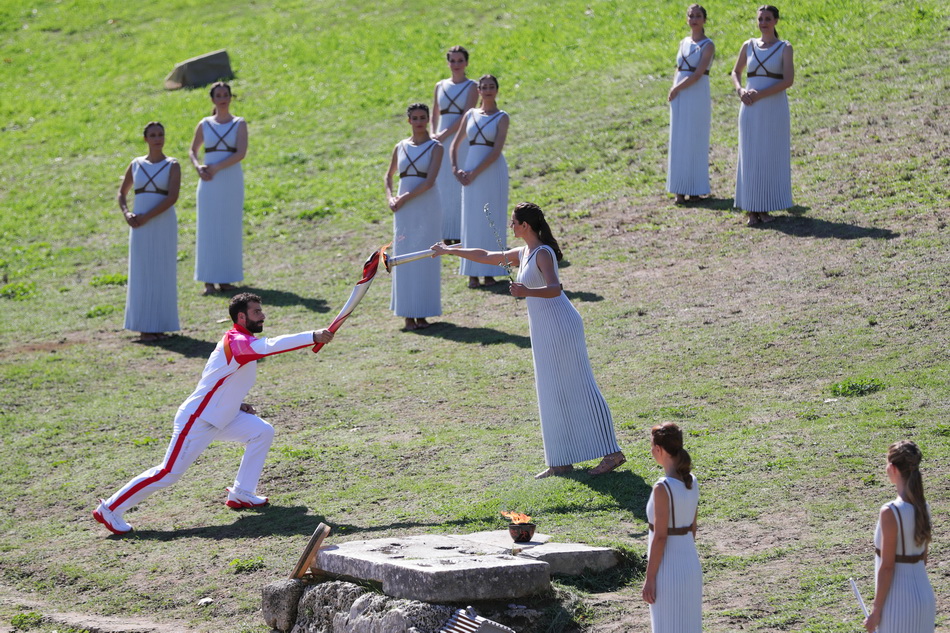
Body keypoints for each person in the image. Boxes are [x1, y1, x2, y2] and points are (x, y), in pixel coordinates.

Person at [93, 293, 334, 534]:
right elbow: (268, 347)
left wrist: (237, 403)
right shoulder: (237, 340)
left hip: (222, 416)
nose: (263, 315)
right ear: (242, 316)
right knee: (168, 473)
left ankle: (242, 493)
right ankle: (110, 508)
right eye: (256, 312)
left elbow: (219, 380)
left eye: (261, 311)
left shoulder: (241, 340)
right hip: (198, 419)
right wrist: (311, 336)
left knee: (261, 432)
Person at [431, 202, 625, 478]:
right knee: (550, 389)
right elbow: (486, 255)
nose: (511, 226)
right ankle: (561, 459)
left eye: (514, 222)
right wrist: (450, 250)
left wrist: (525, 290)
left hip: (561, 325)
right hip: (544, 329)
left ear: (525, 226)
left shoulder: (543, 253)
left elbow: (556, 289)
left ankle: (613, 453)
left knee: (579, 384)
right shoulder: (523, 253)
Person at [730, 5, 794, 226]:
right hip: (750, 108)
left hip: (773, 109)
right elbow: (735, 72)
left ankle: (764, 207)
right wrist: (741, 91)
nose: (763, 23)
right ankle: (751, 210)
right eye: (760, 19)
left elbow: (788, 81)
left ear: (776, 21)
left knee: (769, 155)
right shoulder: (748, 45)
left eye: (768, 19)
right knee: (750, 156)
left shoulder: (785, 47)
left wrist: (761, 94)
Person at [117, 122, 181, 342]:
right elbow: (122, 193)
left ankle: (160, 325)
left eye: (161, 134)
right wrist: (127, 214)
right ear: (145, 139)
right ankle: (144, 327)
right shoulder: (135, 164)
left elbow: (172, 197)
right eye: (153, 135)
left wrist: (147, 216)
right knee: (142, 271)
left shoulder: (173, 164)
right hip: (140, 227)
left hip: (162, 224)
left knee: (163, 271)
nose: (157, 139)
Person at [863, 440, 935, 633]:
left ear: (893, 468)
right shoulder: (923, 507)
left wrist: (876, 610)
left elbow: (887, 566)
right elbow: (923, 559)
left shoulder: (890, 511)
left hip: (898, 602)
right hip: (924, 598)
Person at [385, 103, 443, 331]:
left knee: (425, 256)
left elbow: (429, 182)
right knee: (404, 256)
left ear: (428, 120)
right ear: (408, 121)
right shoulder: (400, 147)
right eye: (415, 118)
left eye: (423, 117)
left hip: (426, 206)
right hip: (404, 211)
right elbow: (388, 176)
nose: (419, 121)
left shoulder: (435, 147)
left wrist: (403, 198)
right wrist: (391, 198)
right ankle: (407, 315)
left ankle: (423, 314)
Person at [641, 422, 702, 633]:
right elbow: (693, 529)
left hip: (667, 572)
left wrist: (650, 578)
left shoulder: (662, 488)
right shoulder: (691, 481)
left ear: (658, 449)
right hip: (690, 566)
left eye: (651, 447)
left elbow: (660, 537)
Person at [189, 81, 248, 295]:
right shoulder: (205, 124)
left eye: (226, 94)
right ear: (212, 99)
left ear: (231, 97)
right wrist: (199, 168)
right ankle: (207, 280)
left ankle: (226, 279)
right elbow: (193, 151)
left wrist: (216, 167)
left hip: (230, 179)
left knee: (229, 228)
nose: (222, 98)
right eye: (218, 95)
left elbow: (241, 153)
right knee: (208, 228)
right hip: (208, 183)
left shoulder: (239, 123)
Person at [451, 74, 509, 289]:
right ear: (478, 90)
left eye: (491, 87)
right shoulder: (470, 115)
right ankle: (472, 274)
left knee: (492, 219)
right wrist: (456, 169)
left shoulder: (502, 117)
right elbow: (455, 144)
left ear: (496, 89)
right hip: (469, 173)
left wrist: (474, 172)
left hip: (491, 172)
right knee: (471, 221)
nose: (487, 90)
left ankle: (491, 272)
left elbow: (496, 151)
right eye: (483, 87)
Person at [666, 5, 715, 205]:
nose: (694, 19)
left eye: (698, 16)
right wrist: (674, 87)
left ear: (704, 20)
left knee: (695, 138)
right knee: (678, 140)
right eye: (691, 16)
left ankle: (695, 189)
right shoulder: (684, 42)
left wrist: (677, 88)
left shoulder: (708, 45)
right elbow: (679, 68)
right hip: (679, 93)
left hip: (696, 93)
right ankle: (679, 189)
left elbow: (697, 74)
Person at [431, 46, 478, 244]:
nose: (456, 65)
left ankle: (460, 231)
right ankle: (444, 231)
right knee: (441, 183)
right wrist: (433, 133)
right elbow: (434, 113)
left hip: (460, 139)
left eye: (460, 61)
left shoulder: (472, 86)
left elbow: (466, 115)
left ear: (466, 63)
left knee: (457, 181)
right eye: (453, 61)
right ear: (448, 63)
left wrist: (444, 134)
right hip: (440, 140)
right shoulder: (440, 86)